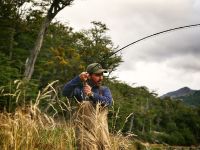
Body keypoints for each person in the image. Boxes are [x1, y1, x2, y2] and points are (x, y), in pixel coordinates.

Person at [63, 63, 112, 150]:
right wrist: (78, 78)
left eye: (102, 75)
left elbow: (108, 102)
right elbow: (65, 92)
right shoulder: (79, 90)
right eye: (97, 75)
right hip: (84, 133)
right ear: (88, 76)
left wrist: (91, 94)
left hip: (102, 132)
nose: (101, 78)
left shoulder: (104, 89)